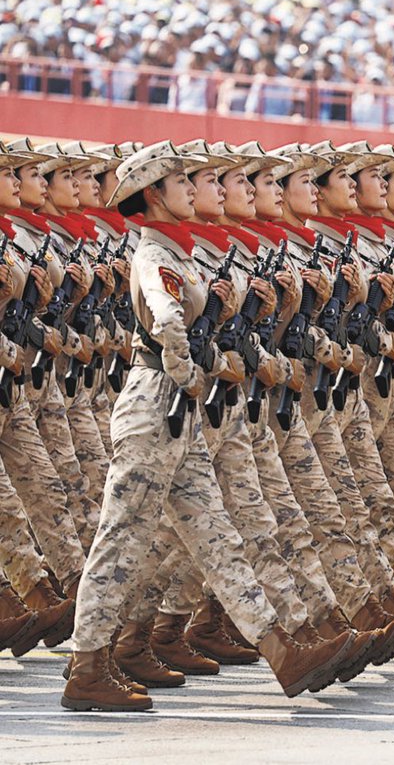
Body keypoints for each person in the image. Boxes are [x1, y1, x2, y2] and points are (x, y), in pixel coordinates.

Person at [63, 141, 353, 712]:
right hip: (156, 404)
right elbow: (169, 322)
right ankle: (87, 667)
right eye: (183, 184)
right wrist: (192, 374)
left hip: (178, 410)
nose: (199, 191)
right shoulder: (154, 254)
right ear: (153, 196)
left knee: (216, 534)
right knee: (121, 539)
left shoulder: (179, 252)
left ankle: (280, 649)